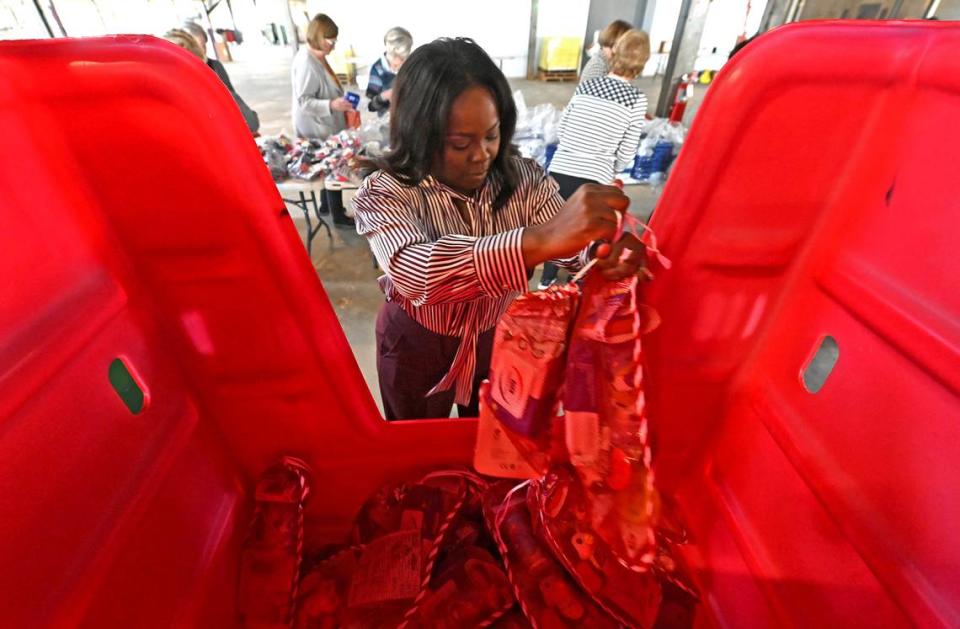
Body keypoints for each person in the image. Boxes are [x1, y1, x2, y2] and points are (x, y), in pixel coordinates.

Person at [352, 38, 646, 421]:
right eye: (460, 143)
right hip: (416, 342)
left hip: (497, 336)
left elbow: (570, 247)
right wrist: (536, 241)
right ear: (418, 132)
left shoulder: (523, 179)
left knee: (491, 444)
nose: (481, 155)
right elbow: (416, 272)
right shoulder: (386, 190)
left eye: (491, 135)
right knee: (418, 453)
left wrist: (599, 254)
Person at [540, 29, 650, 289]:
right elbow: (627, 148)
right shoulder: (636, 100)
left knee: (556, 226)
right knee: (587, 234)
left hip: (561, 168)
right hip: (596, 178)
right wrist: (614, 167)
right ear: (642, 63)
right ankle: (576, 286)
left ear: (616, 52)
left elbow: (562, 129)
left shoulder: (587, 85)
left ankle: (546, 281)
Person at [290, 13, 354, 227]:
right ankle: (337, 215)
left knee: (326, 165)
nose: (334, 45)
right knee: (331, 164)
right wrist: (332, 105)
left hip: (325, 121)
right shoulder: (307, 62)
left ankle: (326, 206)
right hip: (316, 125)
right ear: (318, 37)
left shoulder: (318, 56)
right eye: (331, 41)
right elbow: (304, 101)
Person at [182, 21, 260, 134]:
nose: (202, 53)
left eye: (203, 46)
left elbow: (248, 120)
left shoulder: (215, 67)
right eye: (194, 50)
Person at [366, 27, 413, 116]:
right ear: (393, 54)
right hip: (387, 120)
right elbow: (371, 106)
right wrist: (383, 97)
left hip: (407, 117)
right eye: (402, 58)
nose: (404, 62)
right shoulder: (377, 70)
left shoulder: (409, 65)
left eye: (406, 57)